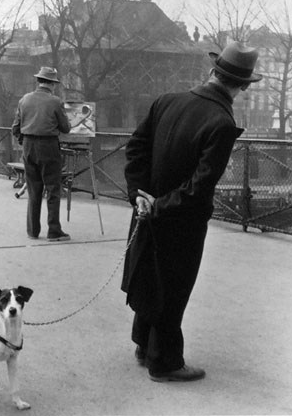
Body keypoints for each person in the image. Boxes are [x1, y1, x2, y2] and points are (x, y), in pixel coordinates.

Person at [121, 41, 263, 382]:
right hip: (180, 222)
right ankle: (165, 362)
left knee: (148, 274)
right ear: (242, 86)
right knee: (174, 288)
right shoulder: (222, 122)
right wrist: (160, 207)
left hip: (145, 211)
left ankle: (144, 345)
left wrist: (139, 197)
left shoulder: (166, 101)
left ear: (212, 72)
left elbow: (136, 149)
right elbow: (200, 186)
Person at [12, 67, 71, 241]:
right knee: (53, 188)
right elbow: (65, 128)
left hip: (29, 147)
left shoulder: (24, 100)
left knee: (33, 189)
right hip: (49, 147)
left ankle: (33, 230)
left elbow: (15, 128)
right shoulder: (55, 101)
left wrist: (25, 141)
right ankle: (54, 230)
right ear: (52, 84)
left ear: (39, 81)